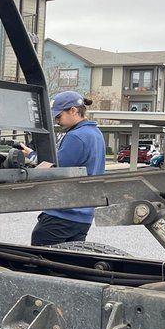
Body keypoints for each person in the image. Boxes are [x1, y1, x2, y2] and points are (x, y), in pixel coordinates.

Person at [29, 91, 106, 247]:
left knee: (41, 261)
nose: (57, 121)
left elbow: (56, 169)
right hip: (83, 216)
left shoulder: (76, 136)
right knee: (69, 263)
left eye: (58, 116)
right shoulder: (95, 133)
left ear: (73, 110)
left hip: (62, 214)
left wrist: (31, 155)